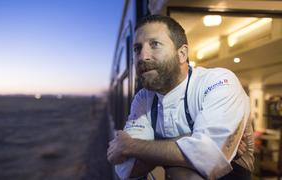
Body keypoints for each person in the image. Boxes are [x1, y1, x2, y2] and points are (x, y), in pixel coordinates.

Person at [107, 15, 254, 180]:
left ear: (182, 54)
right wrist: (193, 144)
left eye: (154, 44)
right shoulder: (143, 98)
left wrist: (131, 145)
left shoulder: (219, 81)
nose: (143, 56)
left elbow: (211, 156)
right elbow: (126, 167)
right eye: (137, 49)